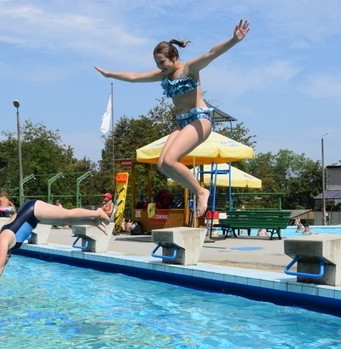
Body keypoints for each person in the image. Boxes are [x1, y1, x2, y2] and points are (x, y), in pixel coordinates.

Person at [94, 19, 250, 217]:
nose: (160, 67)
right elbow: (134, 76)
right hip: (182, 122)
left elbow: (211, 53)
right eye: (157, 63)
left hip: (200, 119)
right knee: (163, 165)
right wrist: (110, 74)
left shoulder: (189, 69)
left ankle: (201, 191)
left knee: (170, 159)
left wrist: (234, 40)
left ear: (174, 56)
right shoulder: (164, 75)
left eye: (163, 62)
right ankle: (197, 189)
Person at [0, 200, 110, 295]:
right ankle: (93, 221)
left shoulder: (4, 240)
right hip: (34, 217)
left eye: (4, 258)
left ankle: (97, 212)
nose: (6, 259)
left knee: (67, 214)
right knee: (67, 220)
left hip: (33, 209)